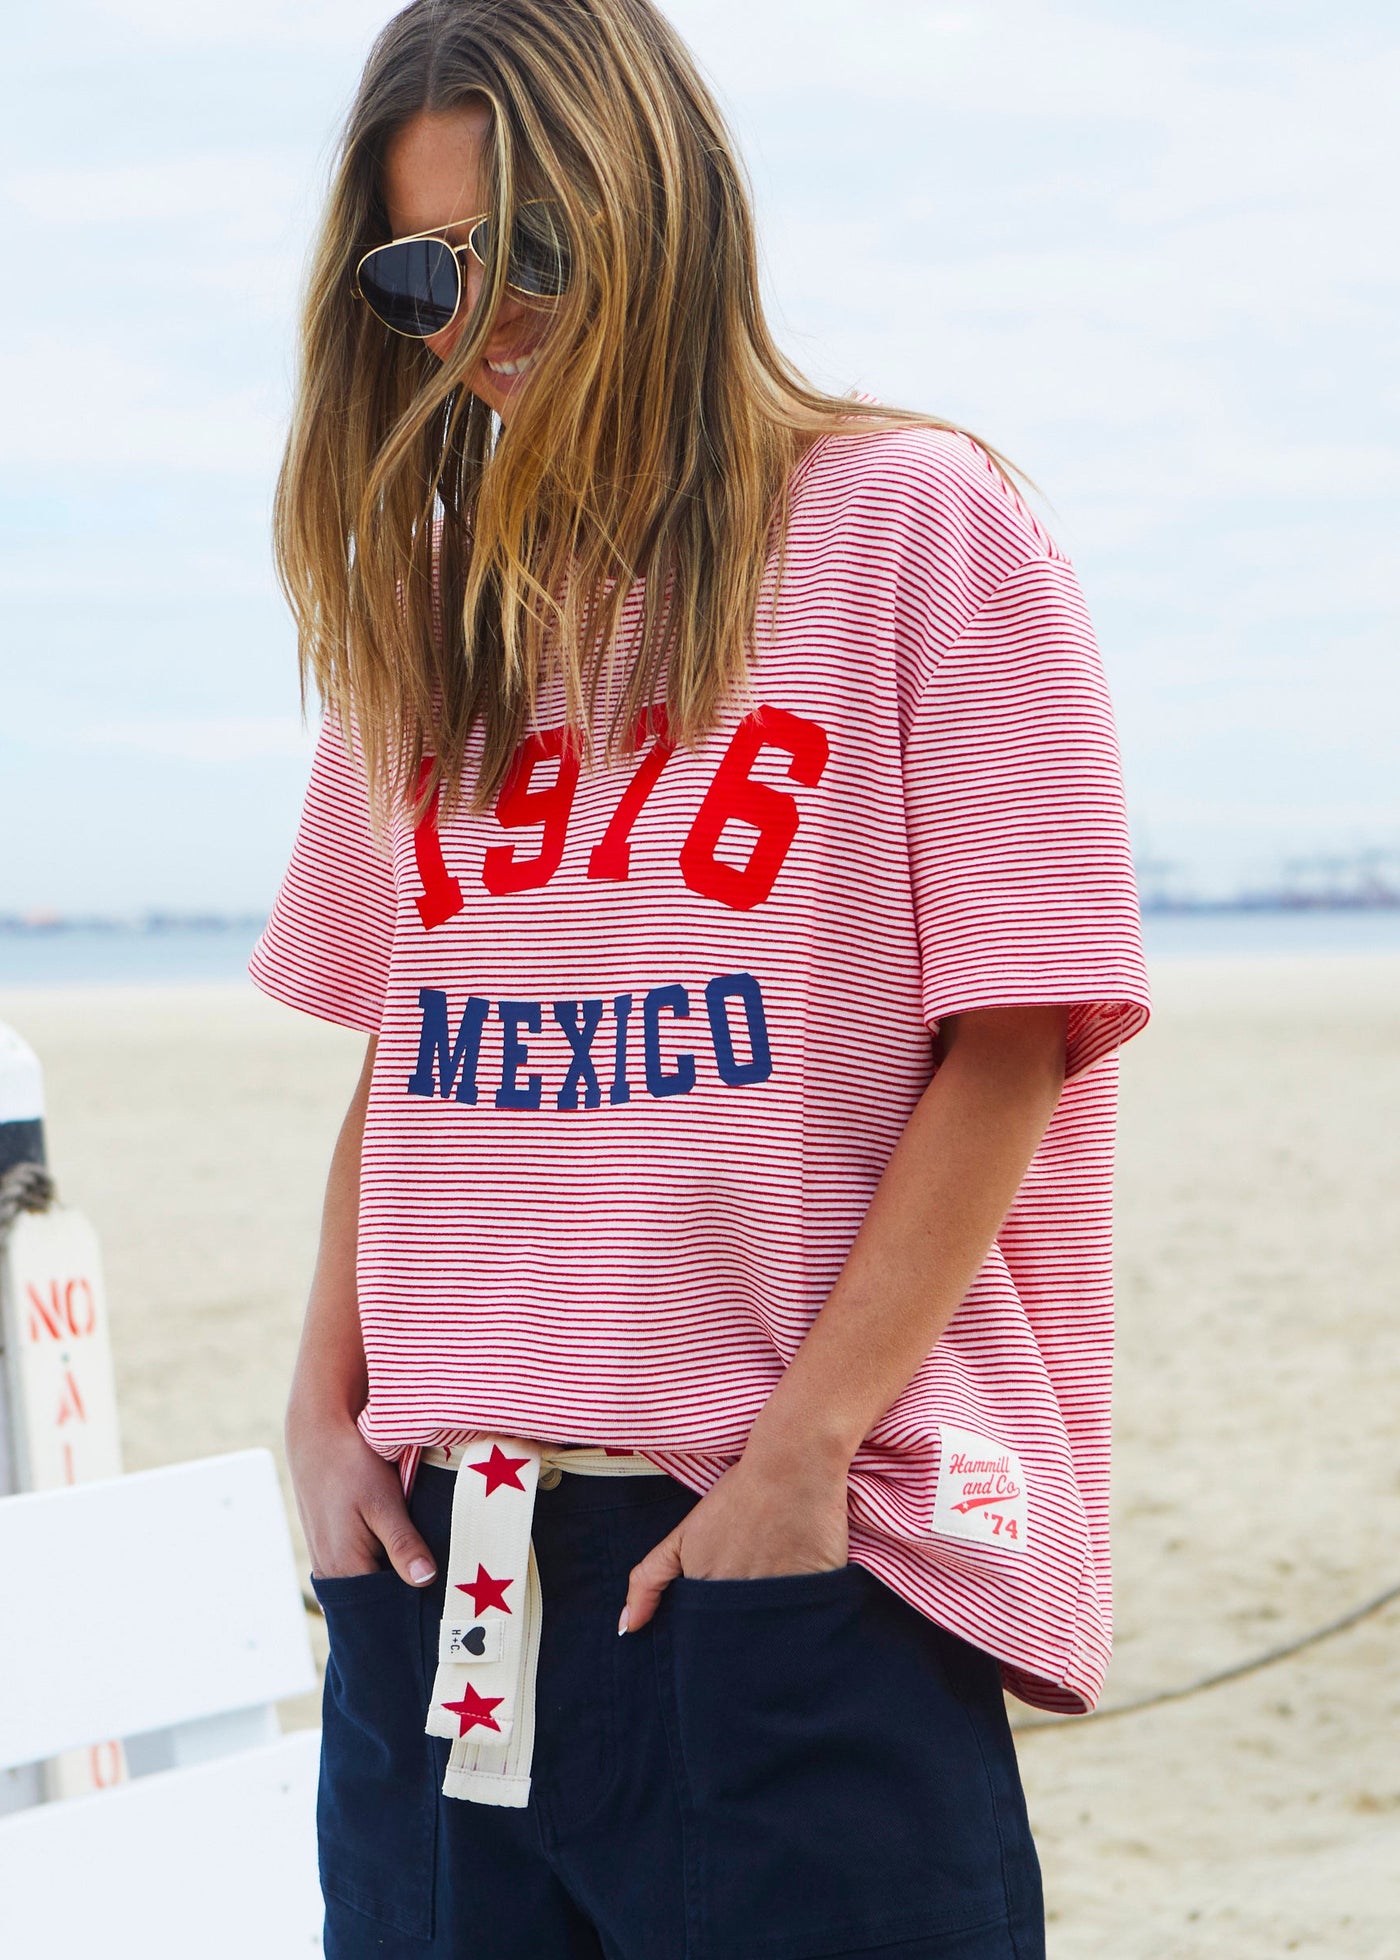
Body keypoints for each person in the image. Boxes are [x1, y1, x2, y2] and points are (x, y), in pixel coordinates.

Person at [248, 1, 1152, 1954]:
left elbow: (1013, 1038)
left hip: (761, 1556)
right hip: (436, 1563)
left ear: (667, 208)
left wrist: (806, 1452)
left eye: (541, 250)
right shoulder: (434, 594)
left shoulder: (915, 523)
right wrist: (321, 1414)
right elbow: (416, 1043)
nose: (486, 313)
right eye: (425, 270)